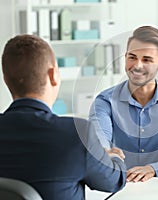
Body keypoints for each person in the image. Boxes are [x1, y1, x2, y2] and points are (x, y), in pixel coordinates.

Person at [0, 34, 126, 200]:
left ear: (6, 80)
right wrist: (114, 157)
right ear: (53, 75)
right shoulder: (76, 134)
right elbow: (113, 181)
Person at [89, 26, 158, 182]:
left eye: (146, 59)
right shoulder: (105, 101)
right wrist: (104, 151)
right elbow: (99, 137)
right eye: (132, 57)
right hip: (119, 187)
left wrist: (153, 169)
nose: (137, 65)